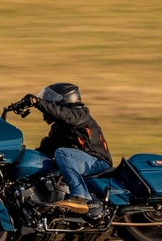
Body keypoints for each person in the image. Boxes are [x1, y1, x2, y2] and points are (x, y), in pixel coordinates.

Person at [20, 83, 112, 214]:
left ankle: (80, 197)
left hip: (96, 161)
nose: (49, 102)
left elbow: (65, 115)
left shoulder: (80, 113)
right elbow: (45, 151)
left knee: (62, 153)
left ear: (65, 99)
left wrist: (38, 102)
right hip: (80, 161)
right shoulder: (58, 127)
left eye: (51, 99)